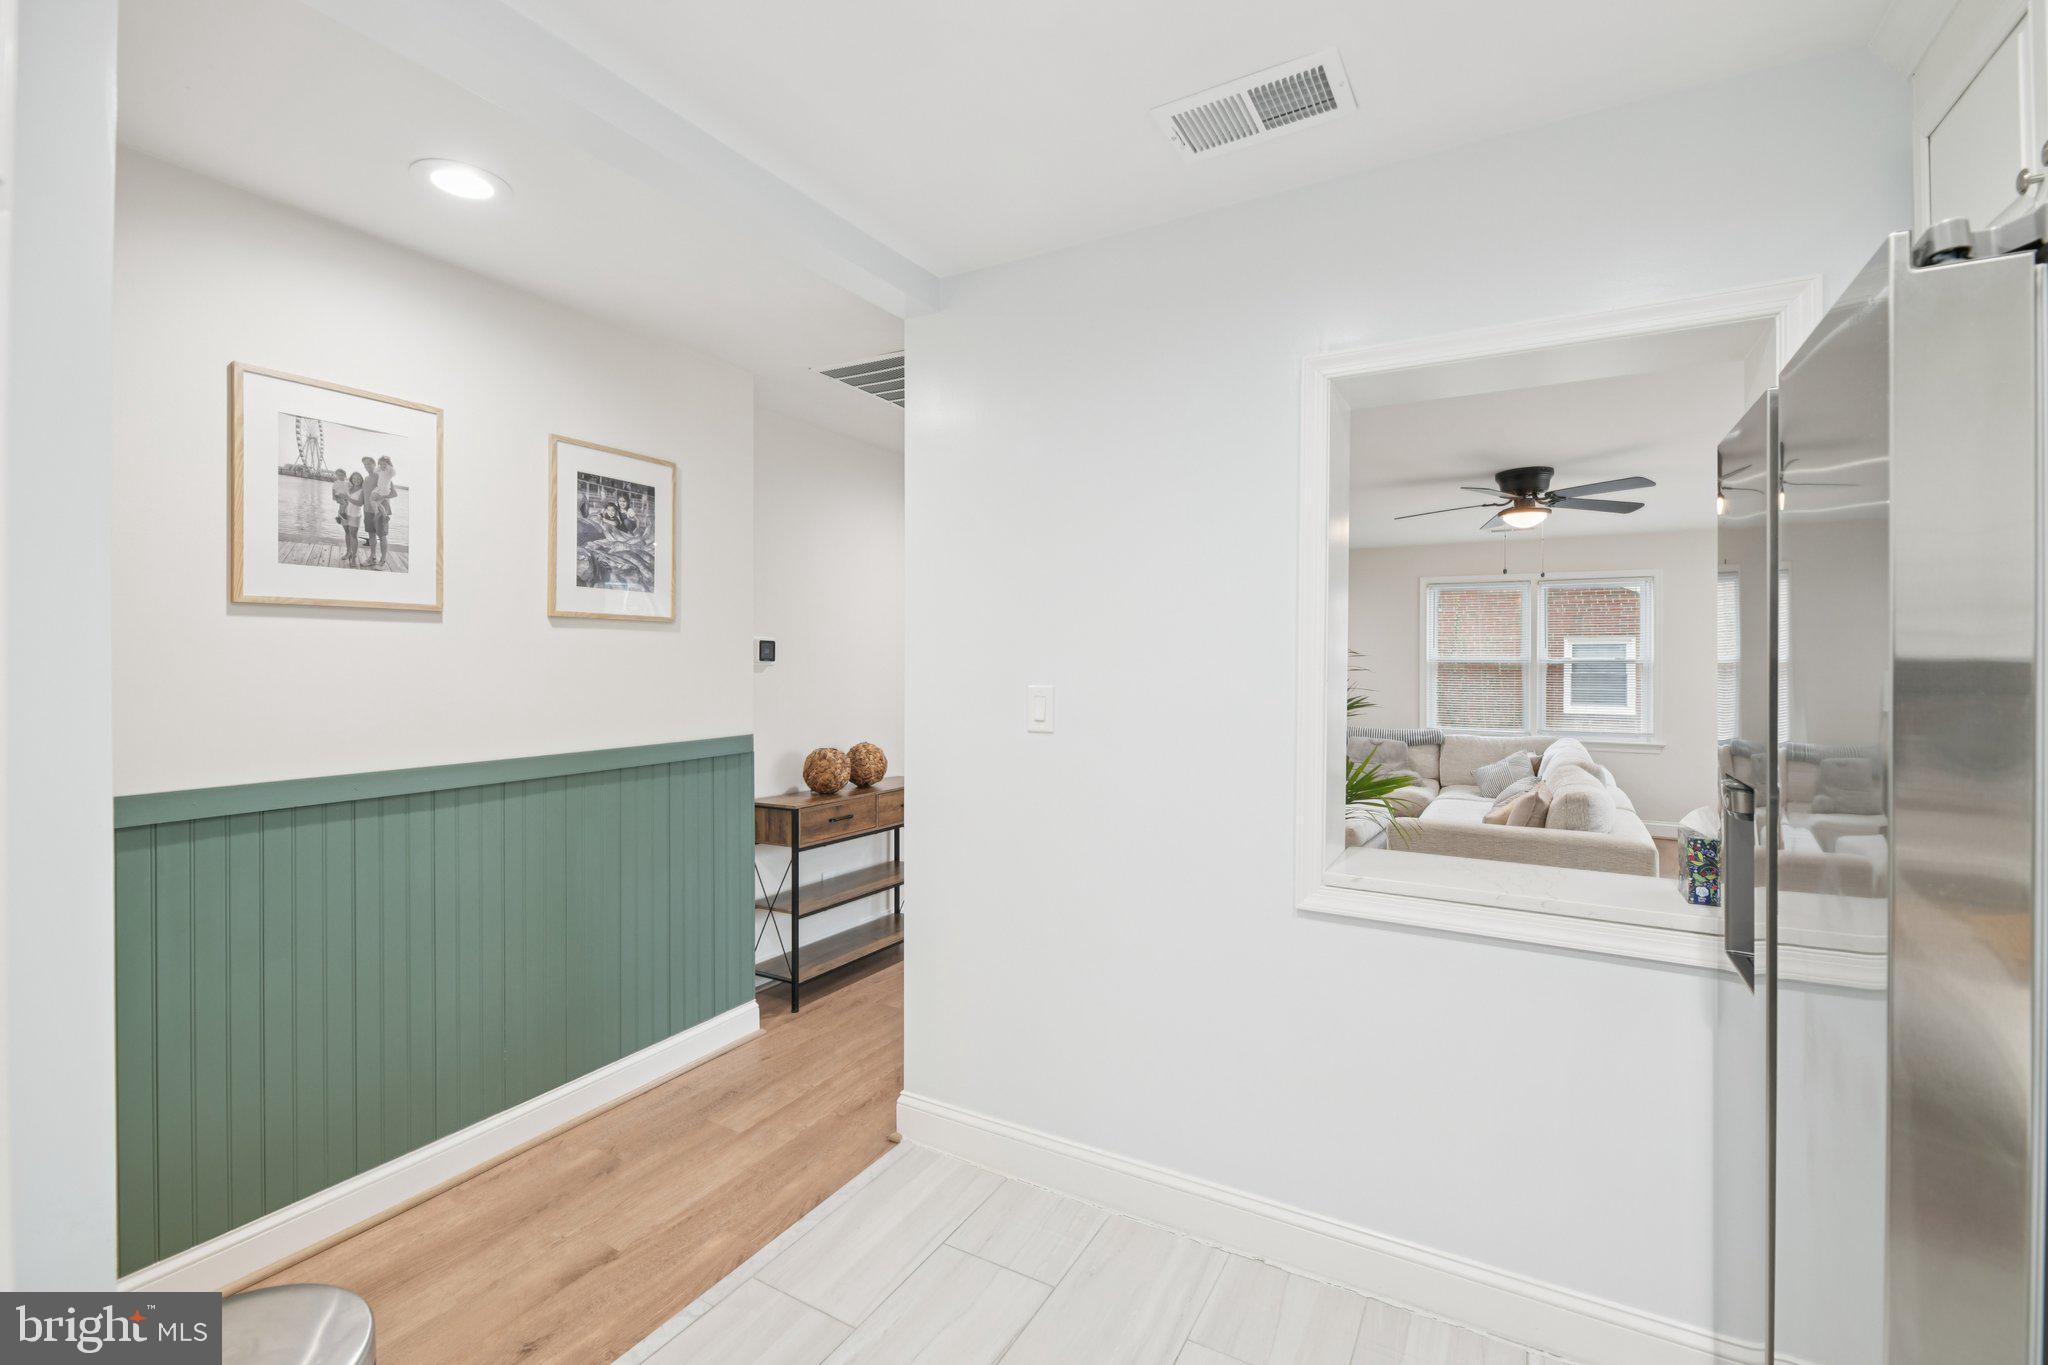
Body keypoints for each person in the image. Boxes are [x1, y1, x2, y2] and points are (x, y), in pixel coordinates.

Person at [336, 471, 365, 567]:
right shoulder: (348, 488)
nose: (356, 480)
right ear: (351, 479)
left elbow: (360, 503)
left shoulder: (362, 490)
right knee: (347, 533)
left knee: (353, 535)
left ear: (361, 480)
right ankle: (348, 552)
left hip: (355, 515)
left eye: (359, 478)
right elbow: (342, 500)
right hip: (345, 513)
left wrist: (348, 498)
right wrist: (339, 512)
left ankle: (353, 557)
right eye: (354, 478)